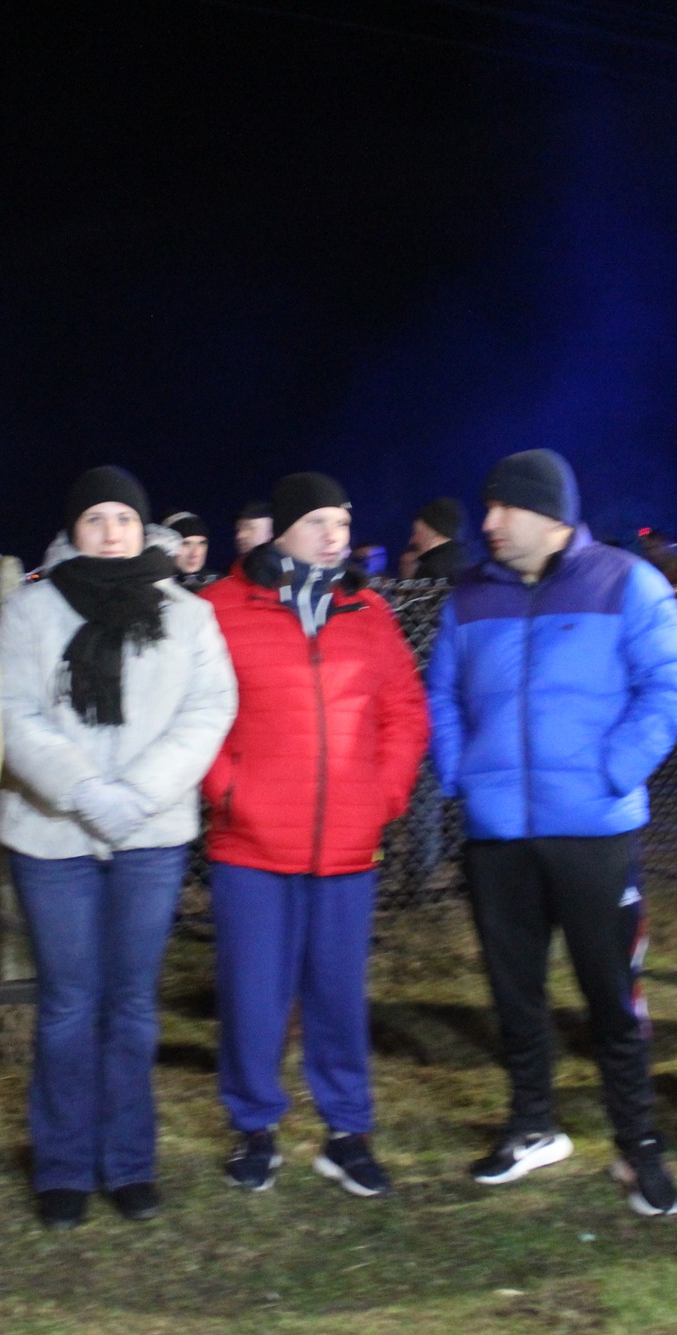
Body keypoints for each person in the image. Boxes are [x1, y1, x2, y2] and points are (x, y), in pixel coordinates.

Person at [426, 449, 677, 1216]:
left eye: (504, 507)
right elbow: (440, 692)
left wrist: (614, 769)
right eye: (488, 506)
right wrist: (460, 772)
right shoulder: (468, 596)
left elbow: (671, 683)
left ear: (550, 514)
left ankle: (637, 1142)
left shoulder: (625, 582)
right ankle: (532, 1125)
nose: (489, 521)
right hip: (497, 836)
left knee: (612, 995)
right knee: (515, 992)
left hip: (593, 833)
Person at [0, 467, 237, 1230]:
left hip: (148, 834)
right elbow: (10, 709)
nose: (110, 532)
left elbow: (208, 708)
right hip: (53, 834)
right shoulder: (32, 609)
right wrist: (79, 789)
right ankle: (63, 1166)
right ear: (74, 530)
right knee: (68, 1004)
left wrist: (139, 792)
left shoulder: (187, 614)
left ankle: (129, 1161)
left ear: (143, 528)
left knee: (132, 1004)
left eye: (123, 519)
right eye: (95, 518)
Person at [200, 472, 428, 1198]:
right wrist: (229, 791)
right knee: (253, 997)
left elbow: (405, 711)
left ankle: (347, 1132)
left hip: (346, 849)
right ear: (284, 530)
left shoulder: (369, 611)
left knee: (338, 996)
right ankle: (254, 1128)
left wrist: (383, 794)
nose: (335, 536)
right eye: (319, 522)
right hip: (252, 845)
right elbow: (193, 713)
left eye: (343, 522)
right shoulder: (220, 608)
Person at [403, 497, 466, 581]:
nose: (412, 541)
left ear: (433, 533)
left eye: (416, 533)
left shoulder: (430, 571)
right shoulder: (467, 562)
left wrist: (408, 579)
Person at [161, 511, 212, 579]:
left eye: (201, 544)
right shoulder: (150, 583)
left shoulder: (220, 583)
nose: (195, 554)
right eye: (186, 544)